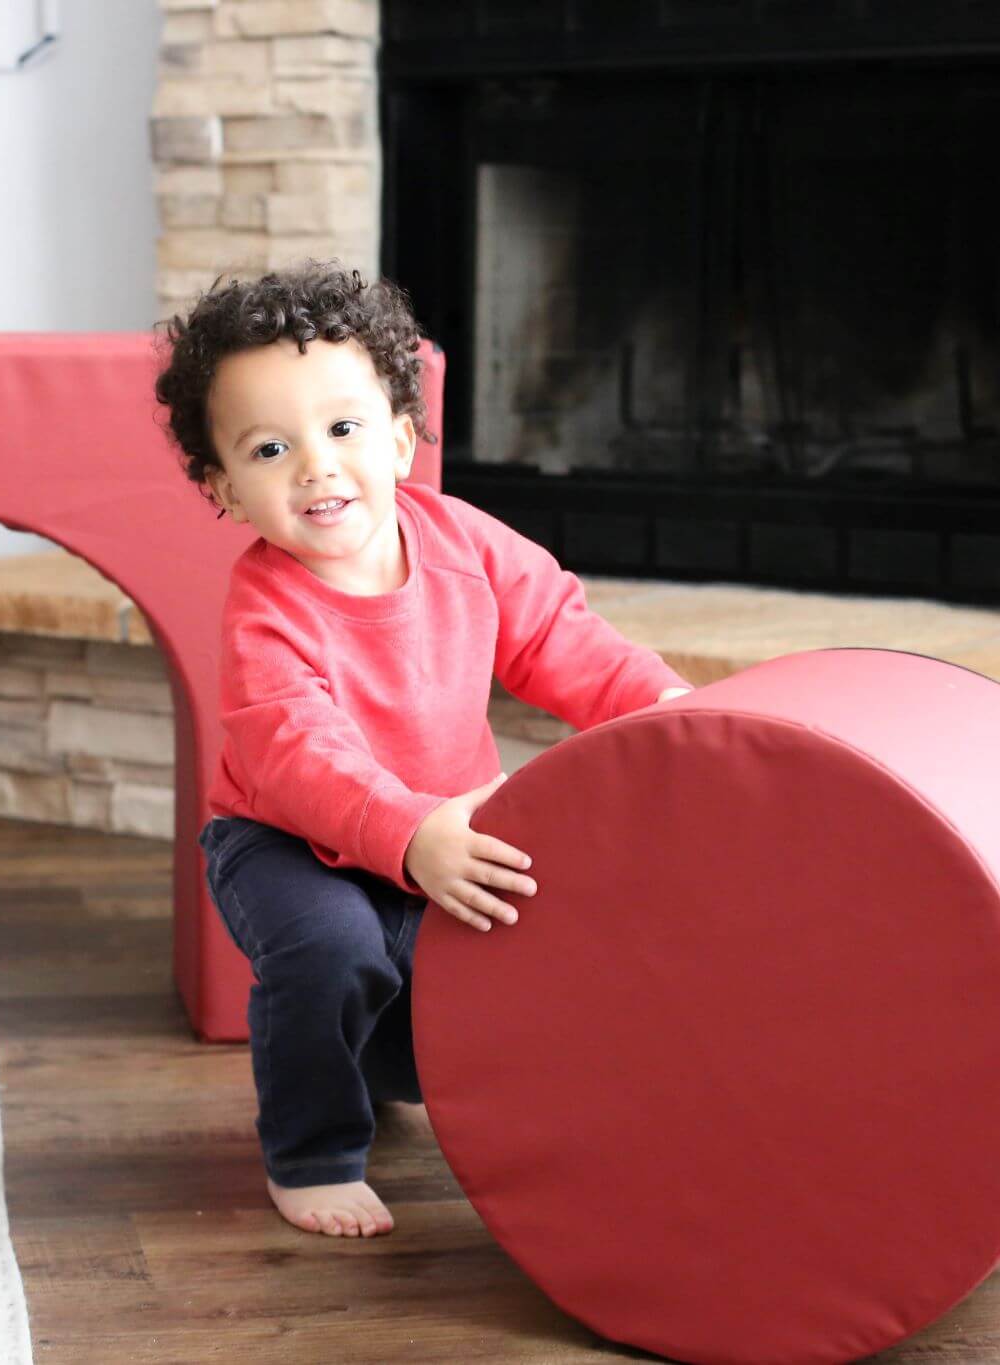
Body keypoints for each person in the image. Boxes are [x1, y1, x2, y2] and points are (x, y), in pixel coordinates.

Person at [154, 260, 692, 1239]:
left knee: (523, 948)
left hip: (442, 822)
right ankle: (311, 1151)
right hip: (283, 840)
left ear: (401, 440)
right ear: (221, 488)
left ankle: (414, 1074)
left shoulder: (464, 545)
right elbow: (296, 756)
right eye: (270, 448)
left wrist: (655, 706)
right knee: (335, 948)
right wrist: (408, 837)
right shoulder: (265, 609)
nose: (315, 466)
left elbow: (559, 641)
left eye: (343, 429)